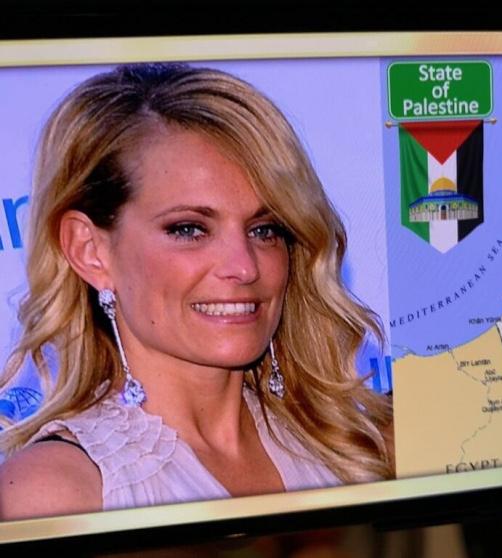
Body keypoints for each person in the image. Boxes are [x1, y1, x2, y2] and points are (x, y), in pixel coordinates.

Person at [0, 63, 393, 520]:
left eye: (265, 229)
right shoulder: (58, 492)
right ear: (91, 252)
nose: (244, 266)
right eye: (189, 229)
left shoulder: (360, 446)